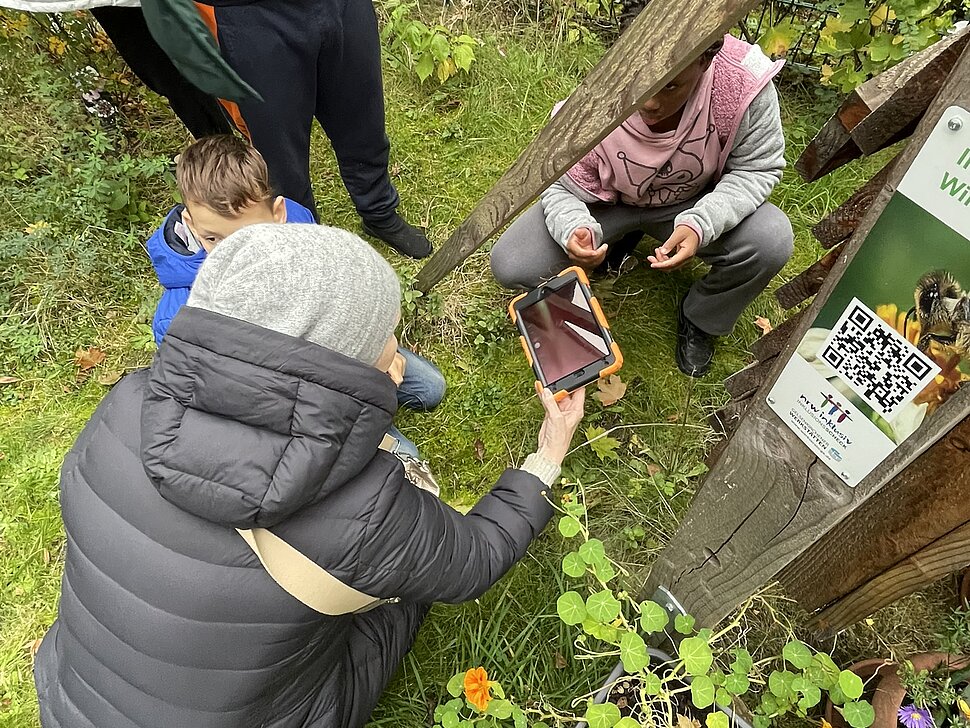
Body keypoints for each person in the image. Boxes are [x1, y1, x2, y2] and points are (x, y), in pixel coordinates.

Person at [33, 223, 586, 728]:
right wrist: (547, 454)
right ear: (340, 365)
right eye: (389, 338)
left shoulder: (126, 404)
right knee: (407, 591)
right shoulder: (369, 508)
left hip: (69, 702)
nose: (399, 355)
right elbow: (474, 560)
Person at [490, 35, 795, 377]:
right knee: (513, 264)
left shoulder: (742, 84)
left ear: (705, 61)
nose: (649, 104)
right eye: (641, 81)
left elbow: (757, 168)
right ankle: (619, 240)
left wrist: (701, 224)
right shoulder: (593, 100)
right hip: (608, 202)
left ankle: (703, 316)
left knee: (771, 240)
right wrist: (574, 227)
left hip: (691, 201)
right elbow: (559, 184)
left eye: (671, 87)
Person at [148, 134, 440, 456]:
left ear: (279, 213)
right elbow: (248, 398)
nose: (234, 255)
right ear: (189, 223)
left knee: (431, 388)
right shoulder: (179, 317)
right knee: (405, 458)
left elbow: (341, 292)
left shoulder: (301, 225)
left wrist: (383, 349)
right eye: (213, 238)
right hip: (304, 398)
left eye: (250, 236)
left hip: (343, 350)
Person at [191, 0, 433, 259]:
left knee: (363, 120)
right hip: (248, 14)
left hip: (343, 6)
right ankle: (306, 248)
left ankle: (378, 211)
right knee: (279, 157)